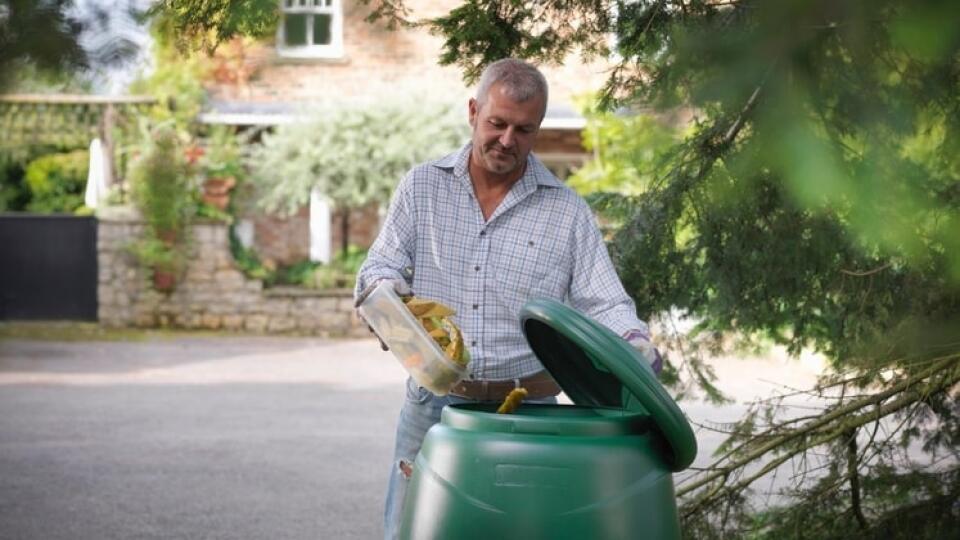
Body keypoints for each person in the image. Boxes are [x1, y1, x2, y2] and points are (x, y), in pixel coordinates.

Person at [354, 58, 662, 540]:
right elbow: (378, 268)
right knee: (408, 533)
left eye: (524, 129)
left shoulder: (566, 212)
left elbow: (605, 303)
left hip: (532, 412)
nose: (507, 140)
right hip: (435, 404)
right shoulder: (422, 187)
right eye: (497, 123)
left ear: (537, 130)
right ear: (473, 111)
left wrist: (634, 341)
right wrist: (386, 299)